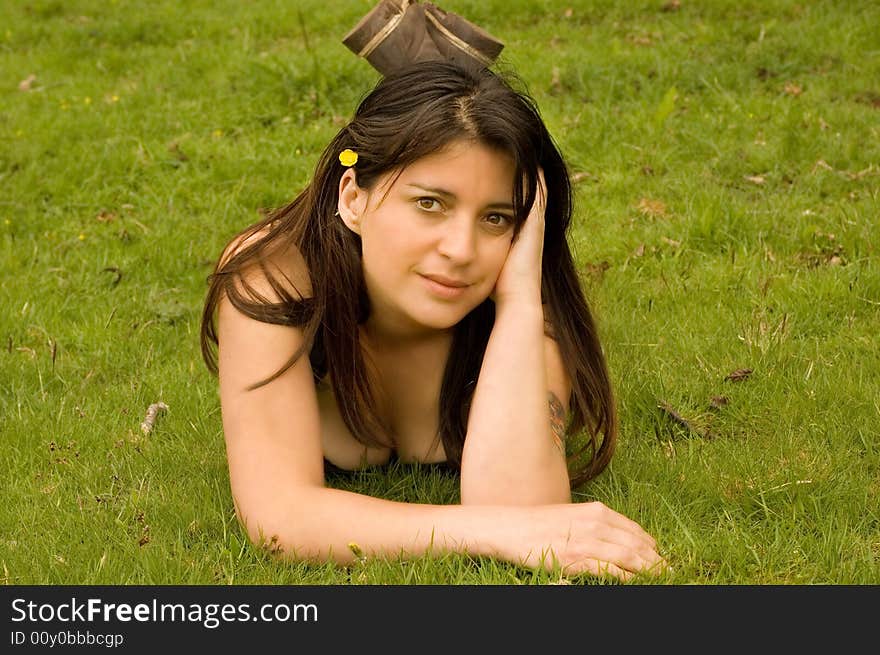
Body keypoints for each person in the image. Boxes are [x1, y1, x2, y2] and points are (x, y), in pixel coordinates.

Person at [199, 26, 666, 581]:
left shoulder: (520, 304)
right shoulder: (276, 281)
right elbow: (279, 515)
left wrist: (518, 305)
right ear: (353, 197)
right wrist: (482, 531)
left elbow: (531, 514)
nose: (461, 251)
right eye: (429, 203)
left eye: (497, 217)